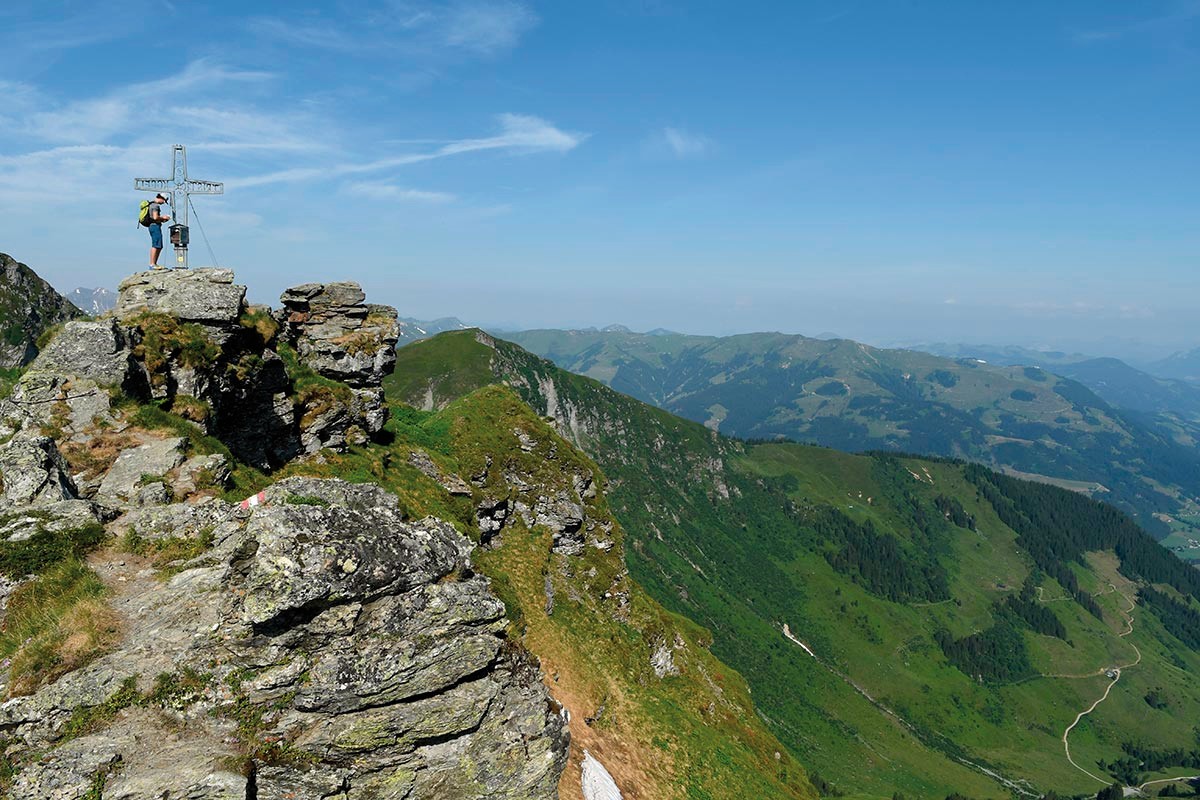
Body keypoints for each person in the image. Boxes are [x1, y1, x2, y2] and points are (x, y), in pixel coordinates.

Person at [147, 193, 171, 269]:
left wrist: (162, 220)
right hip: (155, 226)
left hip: (152, 226)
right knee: (156, 244)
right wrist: (163, 217)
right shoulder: (155, 206)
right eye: (164, 201)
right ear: (161, 198)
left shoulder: (151, 204)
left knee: (158, 245)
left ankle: (154, 263)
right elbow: (155, 217)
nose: (163, 203)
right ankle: (152, 264)